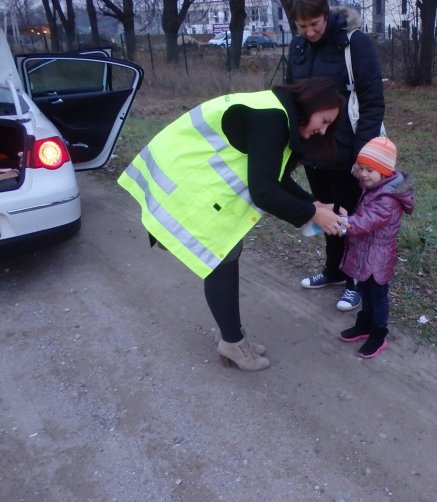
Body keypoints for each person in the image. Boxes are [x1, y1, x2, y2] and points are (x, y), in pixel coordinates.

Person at [118, 77, 347, 371]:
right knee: (222, 258)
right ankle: (232, 342)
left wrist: (313, 204)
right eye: (325, 120)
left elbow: (273, 175)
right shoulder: (272, 119)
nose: (323, 130)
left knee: (226, 255)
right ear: (312, 103)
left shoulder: (276, 112)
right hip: (187, 182)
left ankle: (232, 336)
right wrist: (312, 214)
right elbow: (264, 191)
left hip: (194, 180)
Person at [286, 0, 385, 311]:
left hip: (347, 151)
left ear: (325, 16)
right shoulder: (298, 47)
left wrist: (363, 154)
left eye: (314, 24)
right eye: (301, 27)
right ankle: (334, 271)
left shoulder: (354, 43)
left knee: (352, 218)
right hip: (314, 149)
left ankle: (356, 281)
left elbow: (372, 102)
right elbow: (293, 97)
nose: (309, 32)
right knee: (327, 215)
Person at [338, 137, 415, 359]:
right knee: (365, 291)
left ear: (384, 172)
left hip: (378, 258)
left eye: (369, 170)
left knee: (377, 297)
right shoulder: (376, 186)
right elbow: (362, 183)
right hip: (365, 254)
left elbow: (365, 221)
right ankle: (363, 326)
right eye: (361, 169)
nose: (363, 174)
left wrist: (345, 223)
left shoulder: (387, 200)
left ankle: (378, 334)